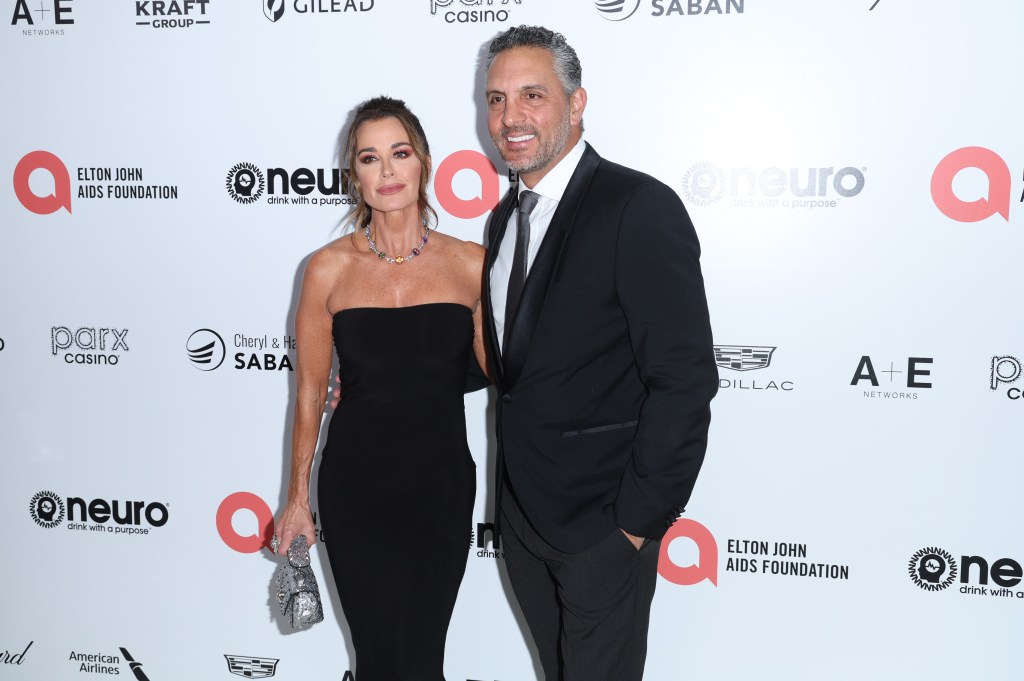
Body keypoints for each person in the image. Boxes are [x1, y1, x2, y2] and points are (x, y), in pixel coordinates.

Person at [481, 26, 718, 681]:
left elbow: (685, 379)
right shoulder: (505, 220)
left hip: (602, 528)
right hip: (523, 522)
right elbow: (520, 362)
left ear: (576, 103)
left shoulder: (636, 206)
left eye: (532, 95)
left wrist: (632, 529)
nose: (510, 116)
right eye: (496, 99)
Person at [273, 96, 488, 681]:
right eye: (370, 158)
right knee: (376, 656)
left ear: (423, 163)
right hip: (355, 486)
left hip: (440, 486)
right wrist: (297, 497)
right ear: (356, 176)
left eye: (400, 154)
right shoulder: (327, 269)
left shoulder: (471, 265)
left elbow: (504, 369)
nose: (388, 171)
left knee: (422, 657)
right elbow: (311, 391)